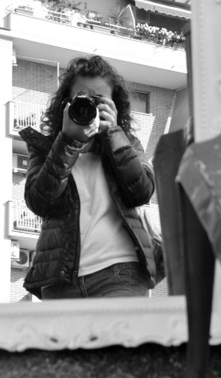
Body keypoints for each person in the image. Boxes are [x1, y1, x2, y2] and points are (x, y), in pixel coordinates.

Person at [19, 55, 158, 300]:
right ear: (66, 104)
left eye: (99, 100)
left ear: (114, 106)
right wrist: (67, 141)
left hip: (120, 273)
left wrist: (113, 134)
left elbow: (142, 192)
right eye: (82, 98)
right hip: (60, 282)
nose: (89, 106)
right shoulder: (46, 148)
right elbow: (39, 202)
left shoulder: (127, 143)